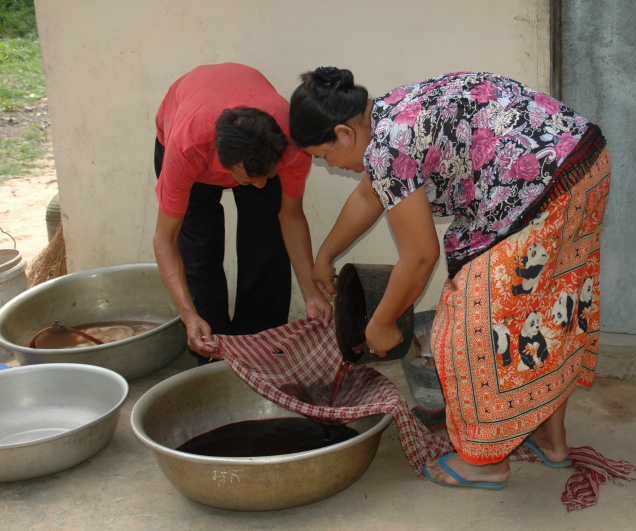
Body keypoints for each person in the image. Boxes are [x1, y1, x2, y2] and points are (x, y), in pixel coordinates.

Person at [289, 67, 611, 489]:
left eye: (323, 155)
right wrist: (323, 258)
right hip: (583, 164)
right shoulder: (391, 113)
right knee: (548, 311)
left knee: (464, 331)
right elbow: (371, 194)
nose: (330, 164)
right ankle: (550, 438)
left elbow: (421, 257)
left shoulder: (386, 146)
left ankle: (485, 462)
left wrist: (382, 323)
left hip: (536, 189)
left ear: (344, 134)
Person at [153, 63, 331, 364]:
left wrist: (311, 293)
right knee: (199, 248)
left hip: (256, 144)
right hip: (189, 126)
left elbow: (290, 217)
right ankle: (211, 348)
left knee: (267, 240)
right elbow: (165, 240)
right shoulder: (187, 150)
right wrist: (188, 314)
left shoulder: (292, 144)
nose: (261, 185)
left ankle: (259, 348)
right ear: (226, 164)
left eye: (268, 175)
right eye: (250, 178)